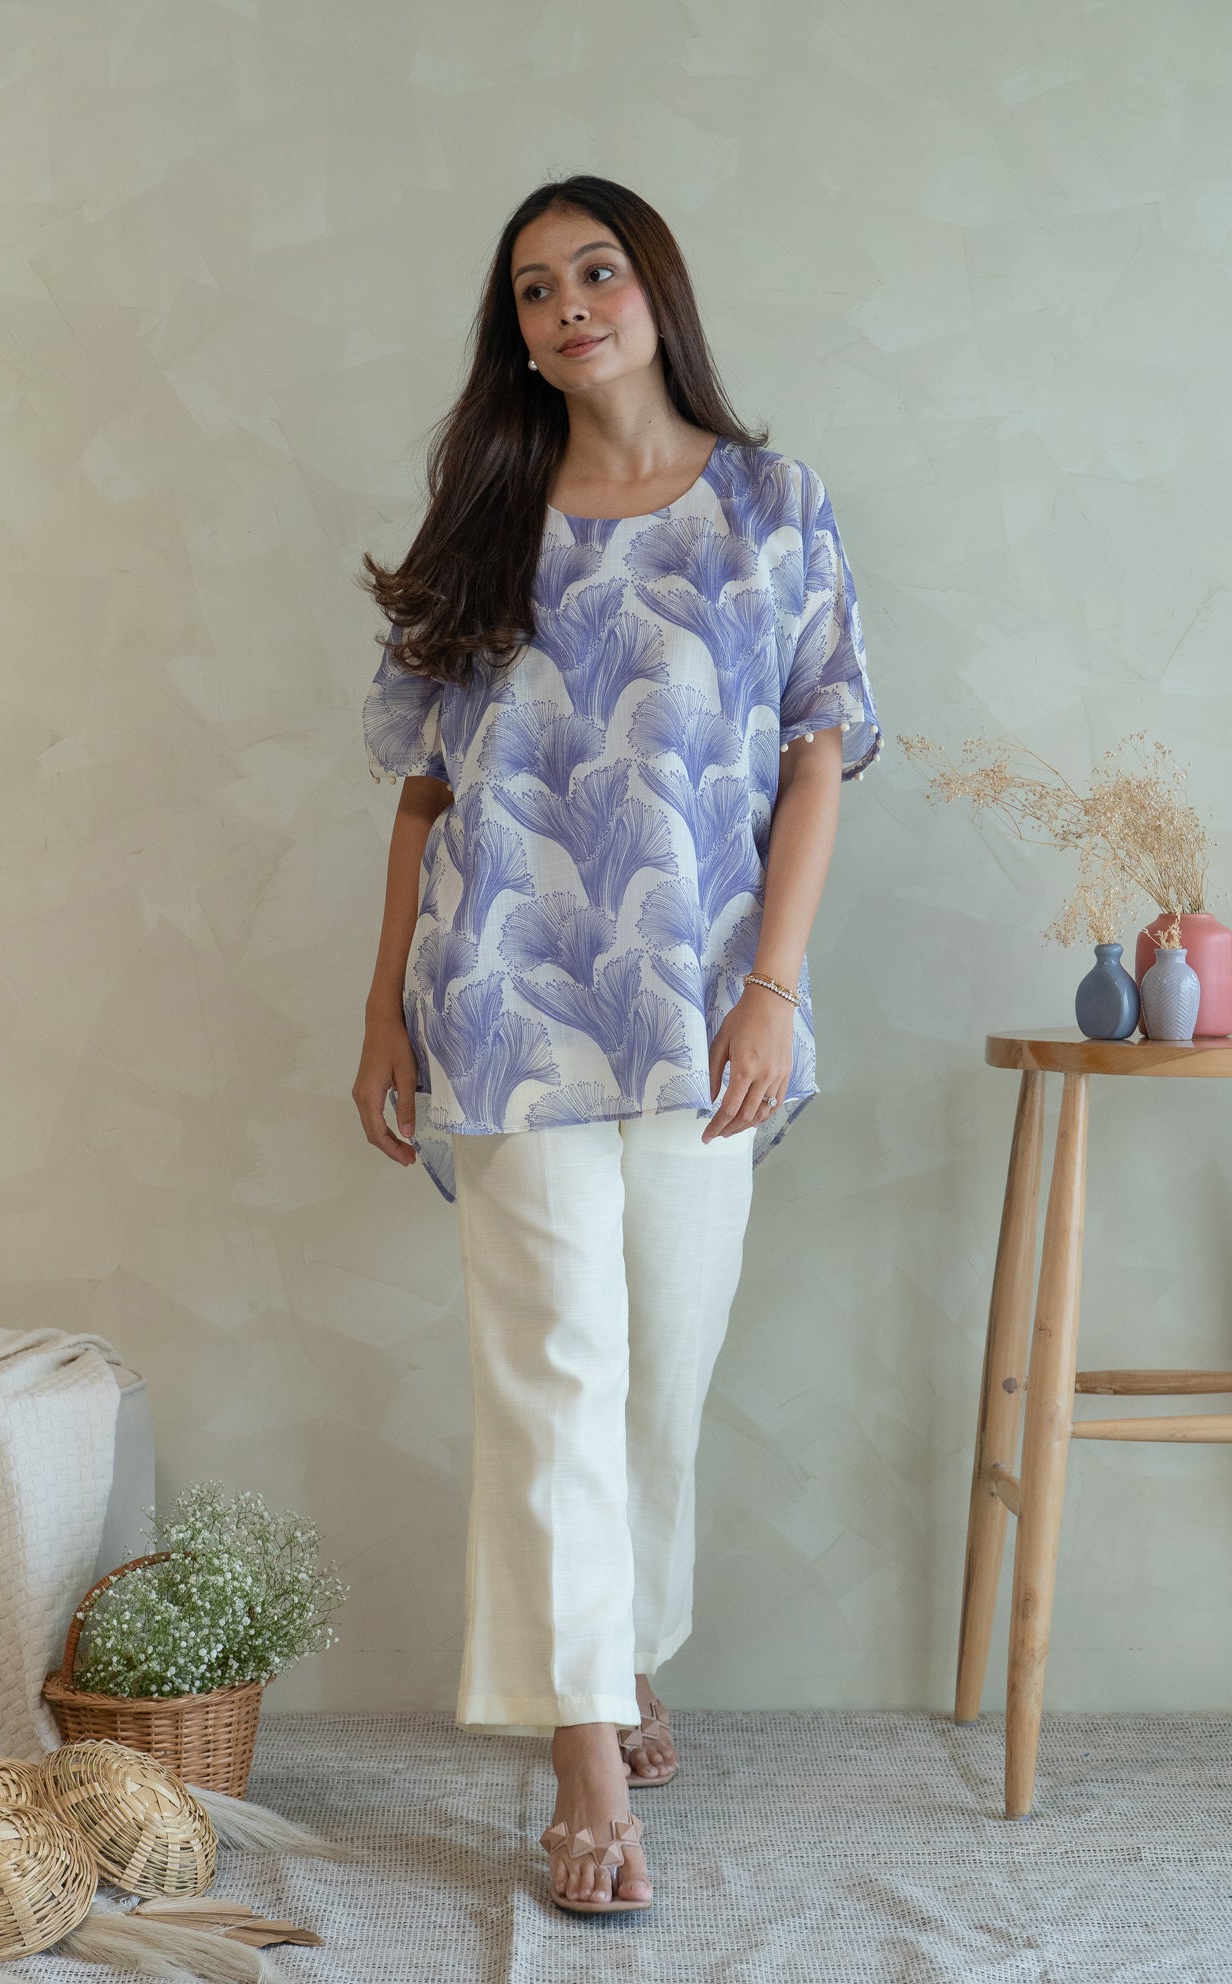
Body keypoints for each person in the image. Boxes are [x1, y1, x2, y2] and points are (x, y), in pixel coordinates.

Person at [352, 173, 882, 1916]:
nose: (567, 304)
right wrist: (380, 1007)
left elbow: (816, 752)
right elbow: (425, 789)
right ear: (515, 334)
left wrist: (774, 987)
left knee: (663, 1370)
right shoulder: (483, 521)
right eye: (533, 289)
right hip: (506, 1004)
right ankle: (584, 1746)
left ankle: (627, 1638)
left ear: (655, 291)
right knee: (555, 1370)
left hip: (703, 1008)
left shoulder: (772, 507)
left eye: (595, 272)